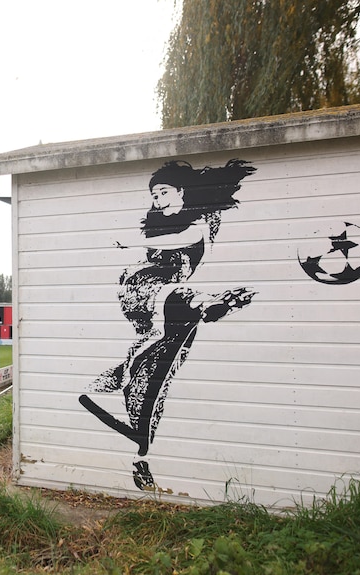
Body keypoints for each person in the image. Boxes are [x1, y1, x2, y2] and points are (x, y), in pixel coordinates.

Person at [79, 159, 256, 491]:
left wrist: (130, 242)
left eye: (163, 191)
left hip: (170, 303)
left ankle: (141, 445)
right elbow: (158, 245)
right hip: (142, 289)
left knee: (163, 369)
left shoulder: (202, 222)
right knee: (180, 297)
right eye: (154, 193)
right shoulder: (155, 223)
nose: (158, 198)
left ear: (181, 191)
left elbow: (184, 238)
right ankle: (205, 303)